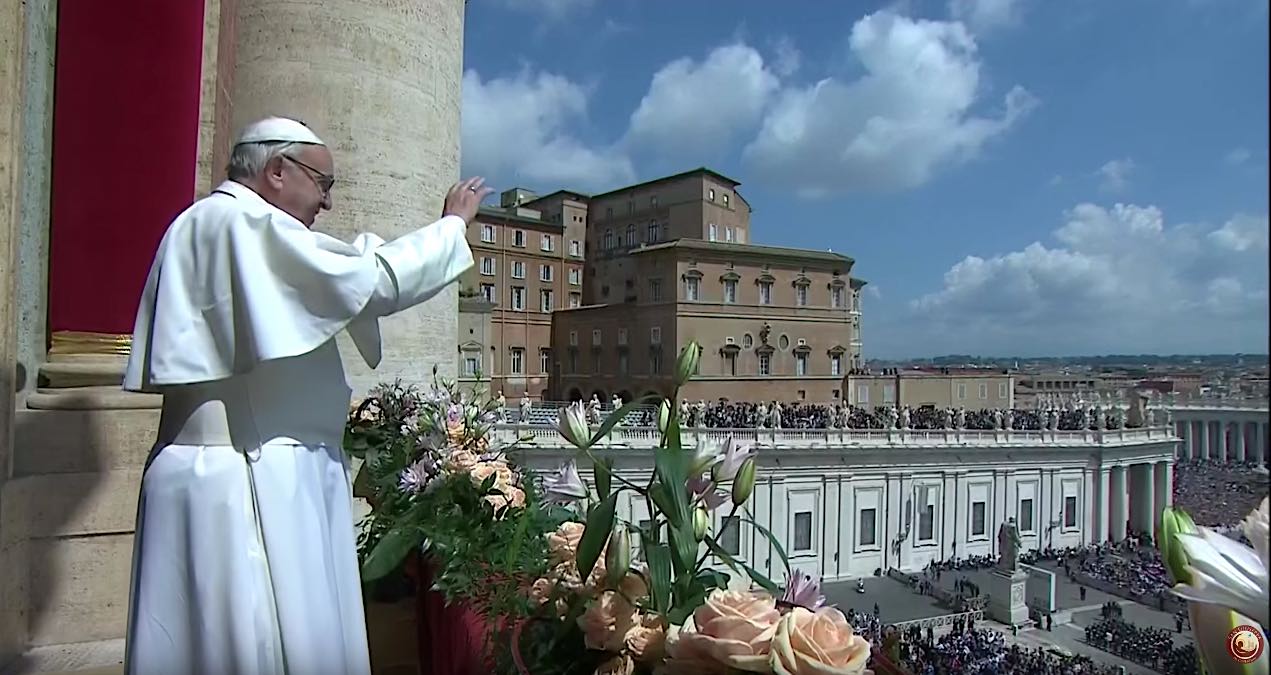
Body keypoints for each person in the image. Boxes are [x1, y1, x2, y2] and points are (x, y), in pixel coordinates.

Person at [121, 117, 492, 675]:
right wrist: (450, 229)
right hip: (250, 482)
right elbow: (371, 280)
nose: (328, 203)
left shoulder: (200, 224)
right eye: (324, 183)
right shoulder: (243, 224)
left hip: (222, 474)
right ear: (276, 171)